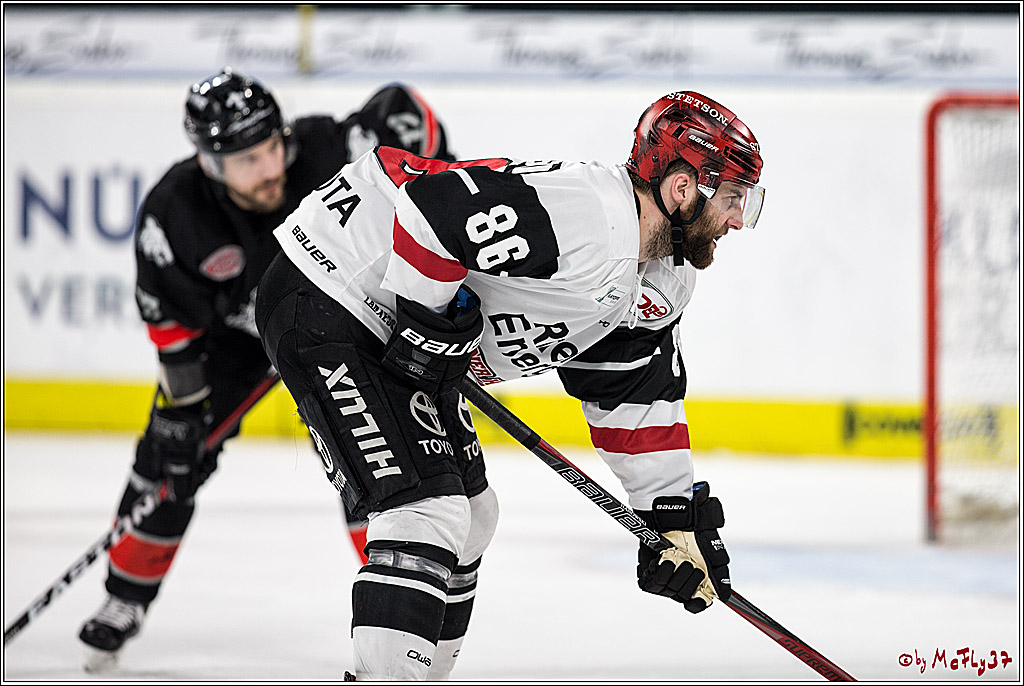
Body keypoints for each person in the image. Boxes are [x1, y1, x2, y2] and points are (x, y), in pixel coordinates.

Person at [254, 90, 765, 680]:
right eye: (731, 199)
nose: (736, 220)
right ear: (683, 188)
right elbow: (429, 208)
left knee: (473, 515)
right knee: (426, 509)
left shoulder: (660, 276)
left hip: (391, 325)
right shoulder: (592, 221)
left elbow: (633, 393)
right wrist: (426, 324)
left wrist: (671, 515)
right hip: (332, 283)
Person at [78, 67, 456, 672]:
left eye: (272, 147)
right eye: (247, 159)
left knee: (380, 459)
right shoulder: (173, 218)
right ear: (208, 162)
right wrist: (182, 417)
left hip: (344, 326)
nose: (269, 168)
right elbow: (175, 338)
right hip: (240, 342)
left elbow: (411, 117)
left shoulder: (336, 152)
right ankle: (123, 598)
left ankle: (405, 607)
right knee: (165, 459)